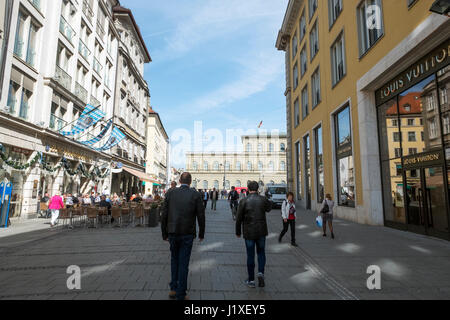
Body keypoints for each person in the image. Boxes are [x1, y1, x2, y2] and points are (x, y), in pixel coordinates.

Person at [161, 172, 205, 301]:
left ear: (180, 180)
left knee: (174, 260)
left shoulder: (170, 193)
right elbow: (201, 215)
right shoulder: (195, 195)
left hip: (173, 232)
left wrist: (164, 233)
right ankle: (181, 293)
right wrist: (202, 233)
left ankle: (173, 289)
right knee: (183, 263)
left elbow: (164, 214)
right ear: (190, 182)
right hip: (187, 233)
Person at [236, 181, 272, 288]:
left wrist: (238, 232)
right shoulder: (262, 199)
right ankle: (260, 273)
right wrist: (265, 195)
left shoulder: (244, 201)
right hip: (261, 231)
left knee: (250, 255)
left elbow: (238, 218)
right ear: (257, 189)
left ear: (248, 189)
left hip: (249, 232)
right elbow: (269, 208)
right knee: (261, 253)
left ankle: (251, 280)